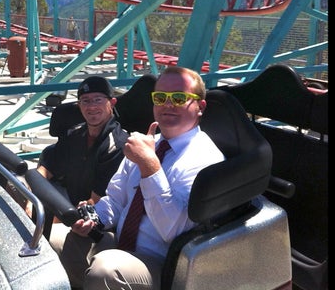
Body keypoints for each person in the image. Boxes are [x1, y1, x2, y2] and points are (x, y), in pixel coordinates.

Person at [48, 66, 225, 289]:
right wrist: (94, 217)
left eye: (179, 98)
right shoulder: (147, 143)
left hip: (164, 264)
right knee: (53, 240)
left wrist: (149, 166)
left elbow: (172, 230)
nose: (168, 104)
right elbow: (115, 200)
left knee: (106, 269)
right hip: (122, 245)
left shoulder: (204, 158)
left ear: (200, 107)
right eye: (160, 97)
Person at [35, 76, 129, 238]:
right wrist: (33, 200)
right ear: (79, 106)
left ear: (112, 103)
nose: (91, 106)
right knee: (15, 186)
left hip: (88, 216)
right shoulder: (75, 133)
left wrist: (49, 216)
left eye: (98, 100)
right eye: (85, 101)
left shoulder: (118, 145)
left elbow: (96, 202)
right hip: (64, 199)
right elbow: (46, 167)